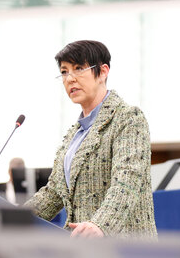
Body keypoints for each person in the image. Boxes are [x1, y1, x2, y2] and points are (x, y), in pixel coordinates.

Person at [25, 40, 157, 238]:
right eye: (64, 71)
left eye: (78, 68)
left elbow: (127, 181)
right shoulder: (74, 135)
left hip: (127, 251)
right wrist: (11, 219)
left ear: (103, 72)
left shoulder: (128, 118)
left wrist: (101, 225)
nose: (70, 78)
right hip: (84, 254)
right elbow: (53, 193)